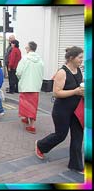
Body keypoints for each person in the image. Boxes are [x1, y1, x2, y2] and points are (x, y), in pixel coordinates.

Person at [35, 46, 84, 174]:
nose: (82, 60)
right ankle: (40, 145)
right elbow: (56, 93)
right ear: (71, 58)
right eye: (80, 57)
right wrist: (75, 91)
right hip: (62, 110)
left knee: (78, 136)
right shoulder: (62, 72)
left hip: (76, 109)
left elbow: (80, 86)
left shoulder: (78, 70)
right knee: (60, 135)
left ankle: (76, 165)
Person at [16, 41, 44, 134]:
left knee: (25, 104)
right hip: (35, 86)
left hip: (25, 85)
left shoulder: (25, 59)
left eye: (26, 47)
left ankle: (31, 125)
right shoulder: (40, 60)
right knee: (33, 105)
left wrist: (21, 79)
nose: (25, 48)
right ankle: (29, 121)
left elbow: (18, 72)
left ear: (29, 48)